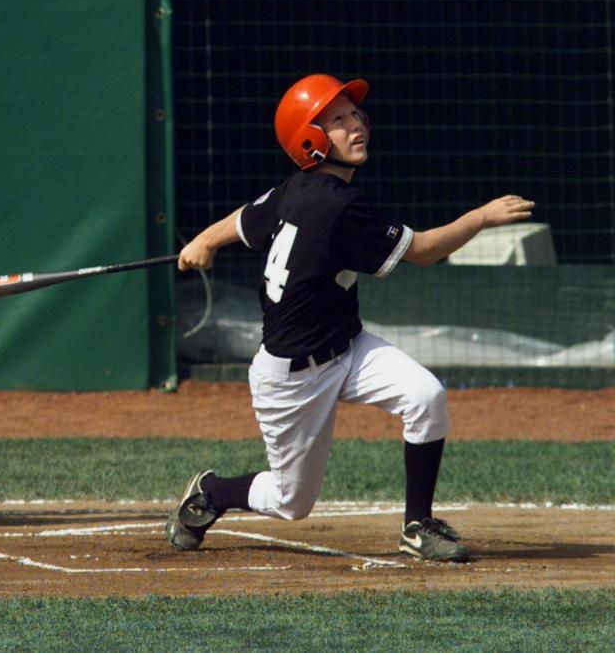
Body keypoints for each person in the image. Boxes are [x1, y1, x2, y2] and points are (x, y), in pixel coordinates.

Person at [165, 73, 534, 562]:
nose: (355, 124)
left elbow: (244, 218)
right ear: (311, 141)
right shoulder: (338, 204)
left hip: (347, 345)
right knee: (290, 502)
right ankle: (212, 492)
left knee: (426, 396)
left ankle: (417, 526)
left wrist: (205, 241)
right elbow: (422, 251)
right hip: (291, 377)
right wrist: (481, 217)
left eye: (354, 114)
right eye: (336, 120)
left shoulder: (298, 188)